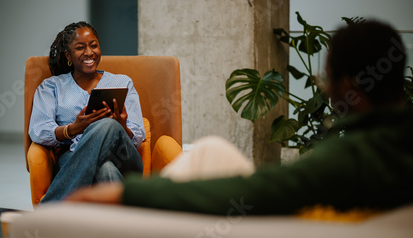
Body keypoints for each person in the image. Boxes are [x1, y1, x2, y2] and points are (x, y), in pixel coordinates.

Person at [65, 20, 413, 216]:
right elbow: (41, 134)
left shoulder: (352, 159)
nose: (323, 87)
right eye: (80, 47)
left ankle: (63, 211)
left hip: (277, 226)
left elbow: (258, 190)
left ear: (348, 87)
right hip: (90, 157)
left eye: (326, 78)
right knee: (209, 149)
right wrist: (73, 128)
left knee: (201, 152)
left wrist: (128, 195)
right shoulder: (394, 144)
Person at [29, 21, 145, 203]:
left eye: (94, 45)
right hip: (72, 157)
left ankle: (51, 207)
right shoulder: (52, 87)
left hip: (124, 157)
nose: (89, 52)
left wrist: (121, 126)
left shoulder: (122, 82)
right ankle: (129, 227)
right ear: (68, 55)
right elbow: (38, 129)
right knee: (105, 170)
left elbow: (138, 135)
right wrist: (72, 129)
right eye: (80, 47)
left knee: (108, 124)